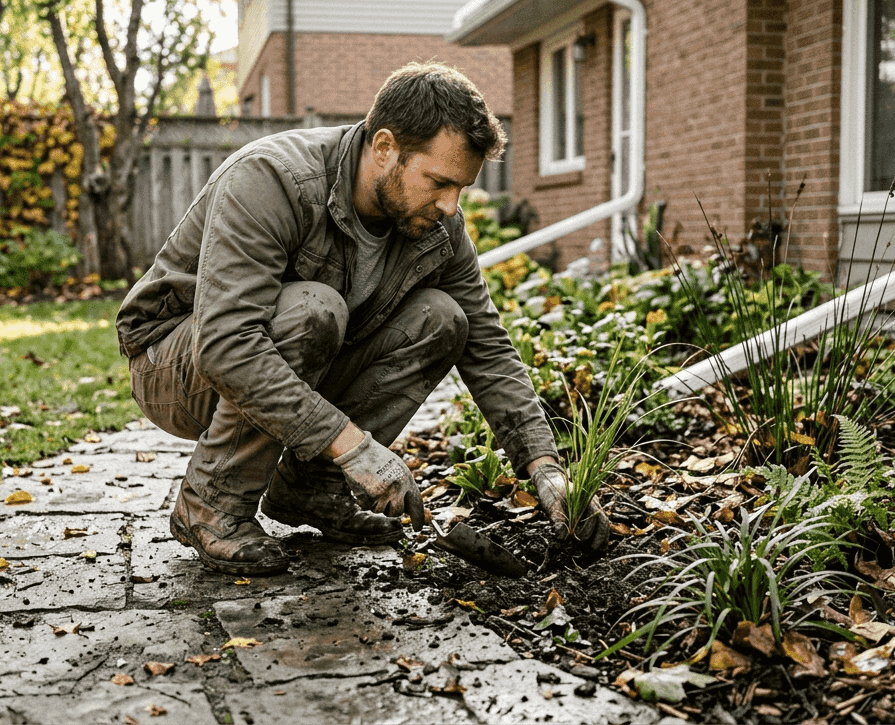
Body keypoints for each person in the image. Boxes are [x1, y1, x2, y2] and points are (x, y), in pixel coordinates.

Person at [116, 63, 609, 576]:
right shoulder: (273, 180)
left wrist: (546, 468)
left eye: (460, 188)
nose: (450, 205)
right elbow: (227, 345)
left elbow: (486, 343)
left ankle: (310, 490)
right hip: (172, 365)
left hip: (276, 354)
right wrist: (354, 448)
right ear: (384, 148)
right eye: (439, 182)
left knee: (445, 320)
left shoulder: (438, 226)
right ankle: (211, 507)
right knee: (313, 312)